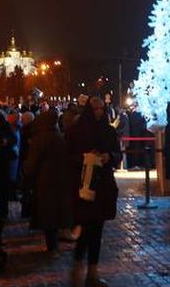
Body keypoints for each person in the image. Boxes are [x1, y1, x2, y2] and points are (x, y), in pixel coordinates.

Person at [67, 96, 120, 287]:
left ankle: (92, 271)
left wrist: (109, 156)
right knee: (87, 226)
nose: (98, 112)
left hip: (103, 184)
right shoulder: (76, 131)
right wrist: (84, 158)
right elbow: (67, 156)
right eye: (95, 108)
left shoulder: (108, 131)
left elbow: (117, 154)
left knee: (97, 228)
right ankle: (79, 266)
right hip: (83, 185)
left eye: (101, 109)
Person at [23, 109, 73, 253]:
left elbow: (32, 163)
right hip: (58, 179)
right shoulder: (58, 136)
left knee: (48, 213)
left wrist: (27, 172)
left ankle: (51, 245)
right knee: (55, 212)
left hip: (44, 180)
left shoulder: (39, 138)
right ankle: (53, 244)